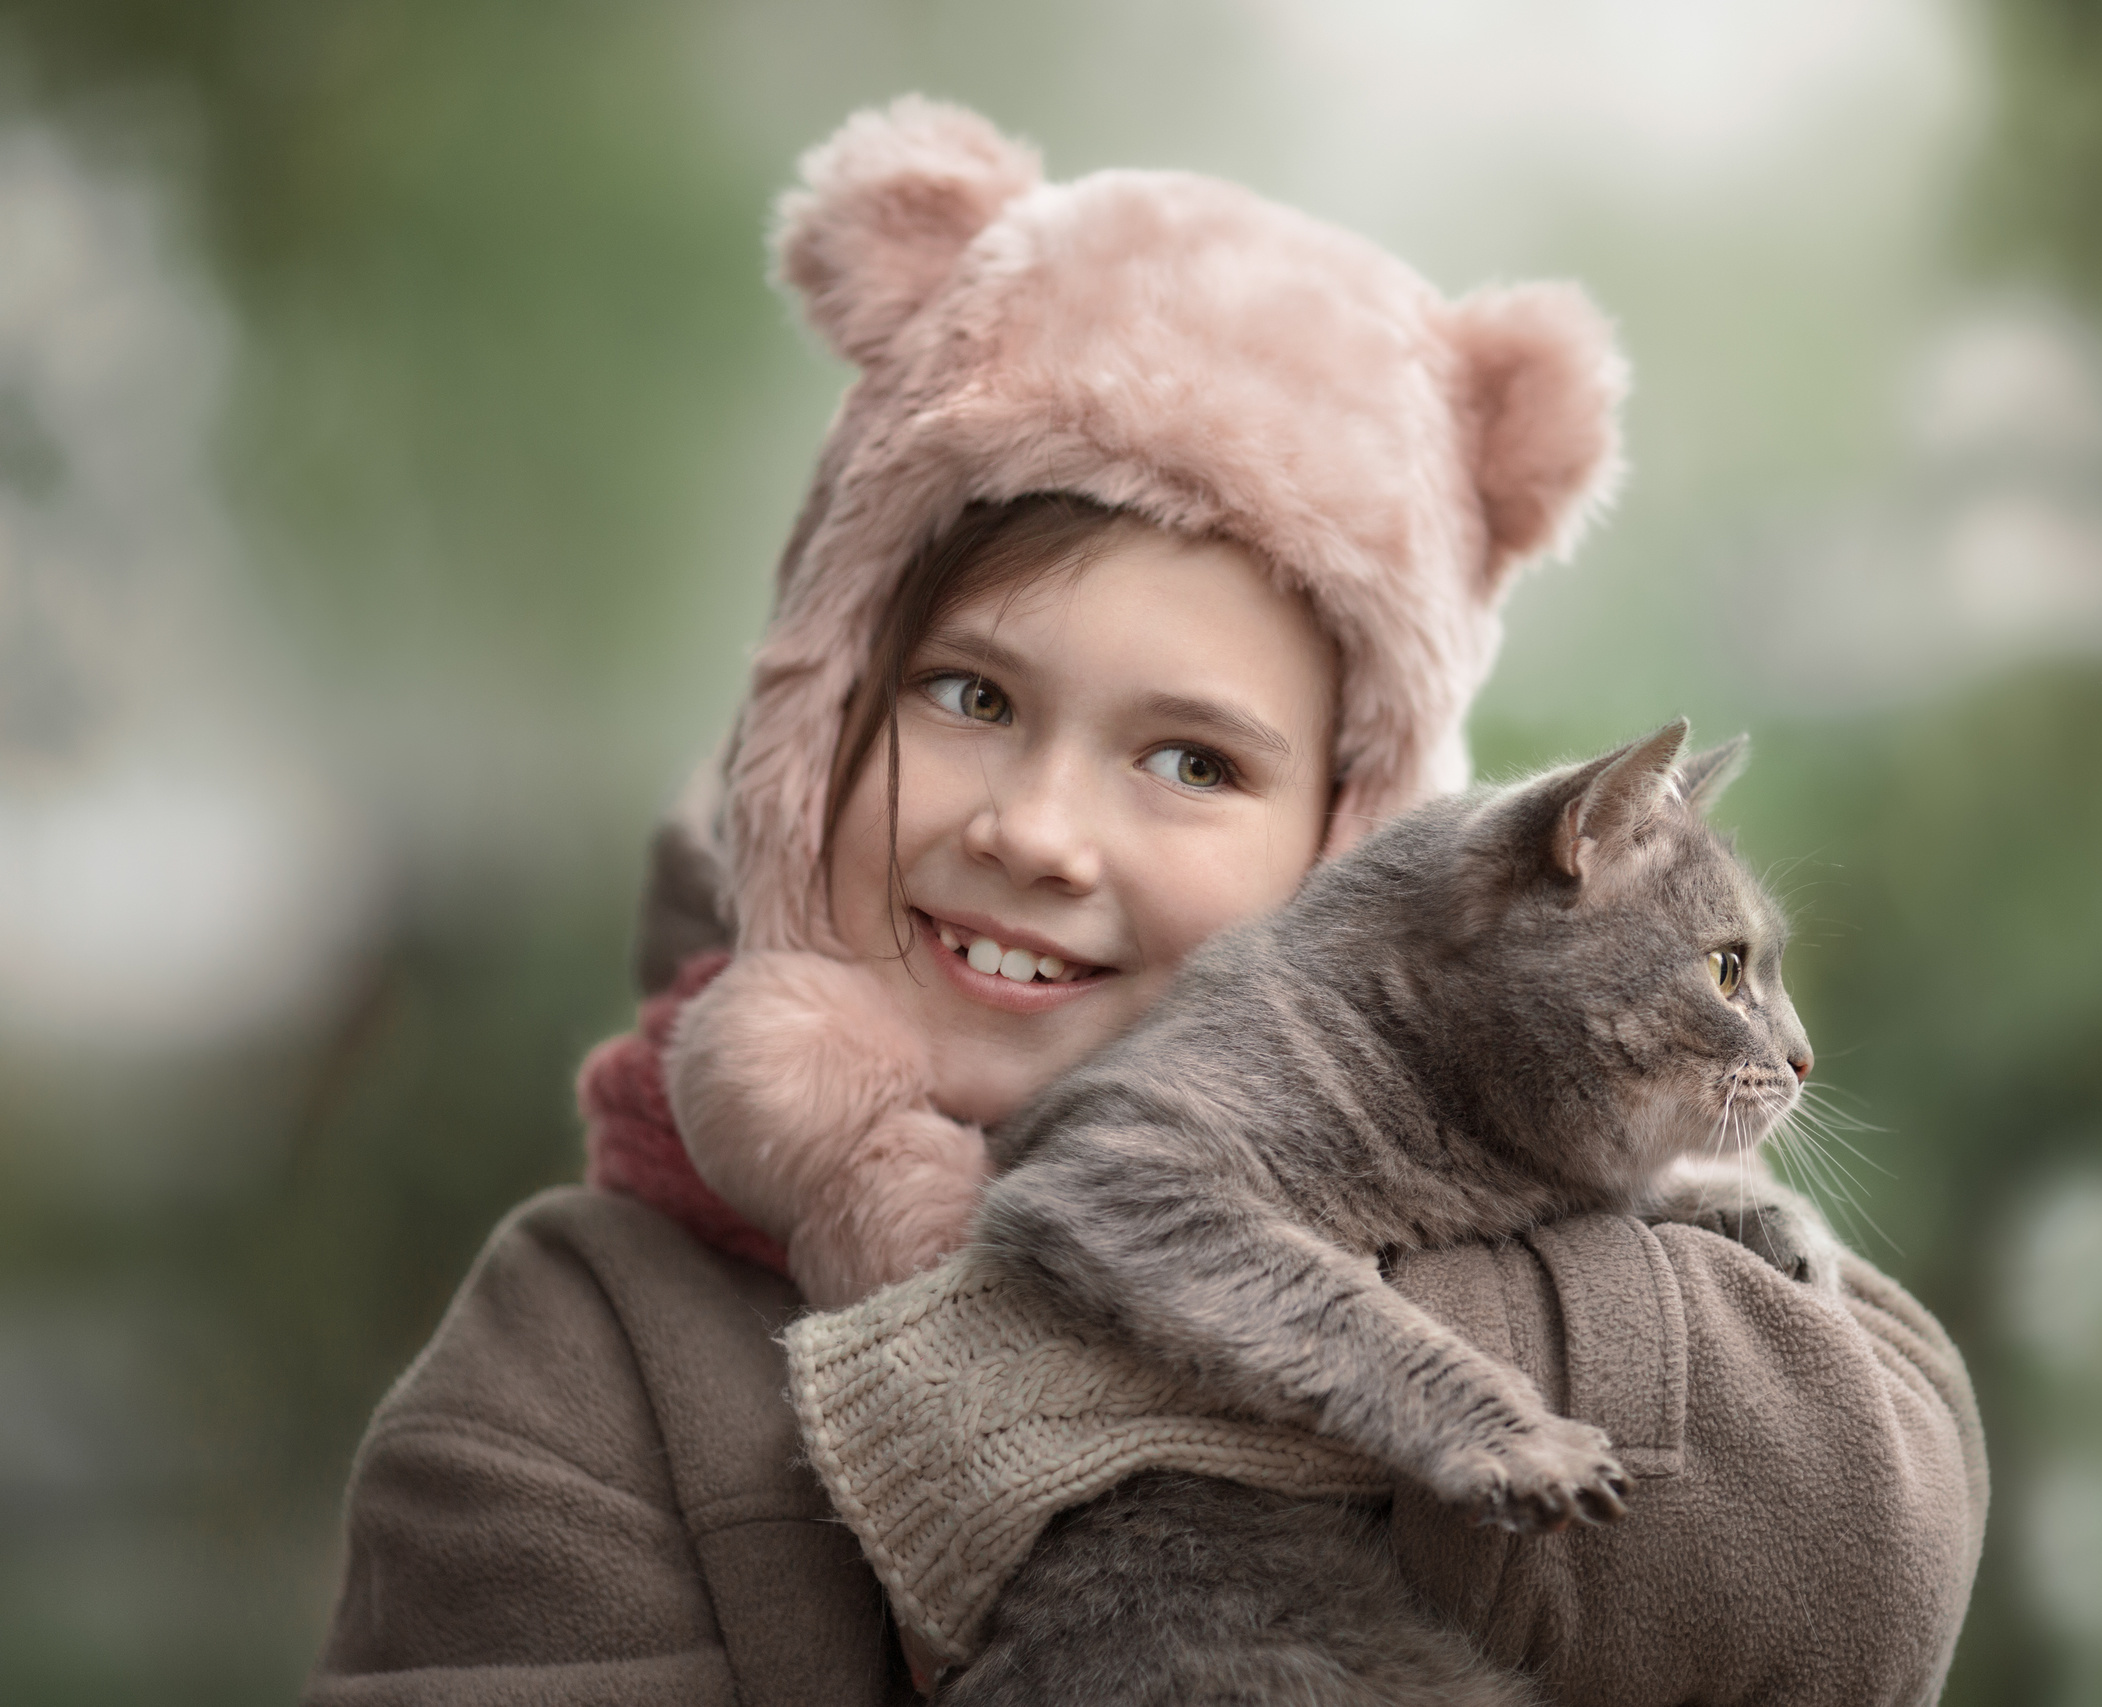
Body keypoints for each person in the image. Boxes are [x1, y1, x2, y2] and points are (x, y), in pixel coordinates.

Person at [305, 98, 1988, 1707]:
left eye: (1192, 763)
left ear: (1352, 841)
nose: (1040, 833)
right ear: (815, 733)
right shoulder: (576, 1351)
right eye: (968, 699)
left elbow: (1878, 1547)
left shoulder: (1568, 1135)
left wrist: (1118, 1334)